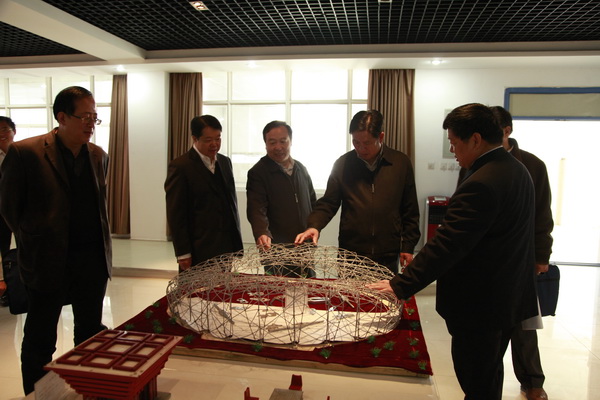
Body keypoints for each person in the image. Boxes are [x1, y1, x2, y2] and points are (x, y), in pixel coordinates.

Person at [367, 103, 538, 400]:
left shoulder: (482, 182)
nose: (452, 150)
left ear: (475, 139)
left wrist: (401, 284)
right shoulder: (517, 170)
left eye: (454, 143)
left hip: (480, 305)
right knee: (488, 374)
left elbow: (447, 245)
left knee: (477, 378)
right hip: (507, 297)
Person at [0, 86, 112, 395]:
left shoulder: (97, 155)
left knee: (90, 334)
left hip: (91, 261)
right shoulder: (26, 153)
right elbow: (9, 208)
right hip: (47, 261)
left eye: (94, 117)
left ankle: (88, 390)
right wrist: (34, 238)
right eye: (84, 117)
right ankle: (37, 395)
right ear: (62, 117)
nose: (90, 124)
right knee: (40, 338)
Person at [295, 110, 420, 273]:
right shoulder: (343, 164)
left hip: (387, 253)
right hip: (351, 253)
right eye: (356, 142)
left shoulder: (400, 163)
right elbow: (328, 203)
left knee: (383, 290)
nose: (361, 148)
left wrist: (408, 246)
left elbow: (410, 209)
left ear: (381, 137)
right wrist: (314, 226)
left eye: (367, 143)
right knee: (348, 290)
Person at [492, 105, 552, 400]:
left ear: (507, 131)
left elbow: (543, 214)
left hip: (522, 256)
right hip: (490, 259)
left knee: (524, 323)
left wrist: (542, 255)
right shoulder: (475, 164)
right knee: (491, 327)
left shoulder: (532, 165)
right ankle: (488, 383)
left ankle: (532, 381)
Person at [165, 115, 243, 271]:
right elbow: (176, 213)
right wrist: (183, 252)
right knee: (196, 287)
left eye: (218, 138)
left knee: (224, 286)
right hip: (198, 248)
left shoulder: (225, 162)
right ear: (195, 139)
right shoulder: (181, 166)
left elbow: (230, 204)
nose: (214, 144)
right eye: (208, 140)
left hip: (225, 247)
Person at [246, 121, 316, 276]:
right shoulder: (258, 172)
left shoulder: (301, 169)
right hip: (276, 249)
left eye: (283, 141)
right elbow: (256, 209)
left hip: (304, 247)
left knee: (308, 286)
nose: (278, 147)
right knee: (278, 289)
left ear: (290, 141)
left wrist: (314, 226)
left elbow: (312, 202)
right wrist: (262, 232)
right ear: (265, 144)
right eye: (272, 142)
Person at [0, 116, 16, 303]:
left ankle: (18, 287)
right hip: (1, 212)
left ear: (14, 132)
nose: (2, 134)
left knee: (23, 250)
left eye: (5, 129)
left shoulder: (23, 153)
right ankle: (5, 288)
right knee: (2, 249)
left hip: (20, 211)